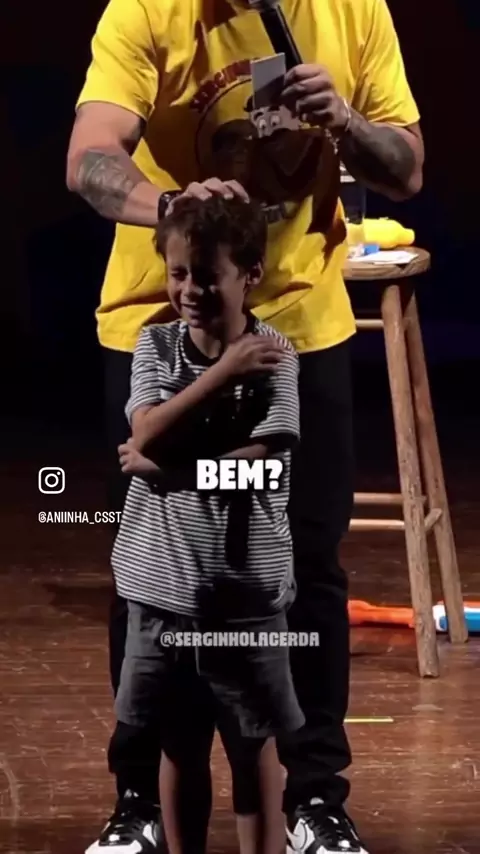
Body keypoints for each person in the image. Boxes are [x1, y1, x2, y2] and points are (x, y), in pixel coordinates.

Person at [66, 1, 424, 853]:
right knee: (151, 574)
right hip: (158, 328)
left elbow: (406, 170)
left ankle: (315, 800)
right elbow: (88, 158)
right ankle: (138, 804)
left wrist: (346, 123)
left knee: (307, 567)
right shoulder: (151, 9)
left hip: (297, 330)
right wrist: (173, 207)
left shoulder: (353, 9)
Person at [107, 193, 302, 854]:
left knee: (252, 747)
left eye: (207, 275)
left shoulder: (275, 355)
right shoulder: (155, 344)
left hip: (242, 597)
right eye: (178, 273)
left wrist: (167, 470)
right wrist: (221, 375)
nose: (189, 289)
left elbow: (262, 470)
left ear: (249, 274)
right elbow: (145, 430)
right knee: (179, 742)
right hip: (160, 591)